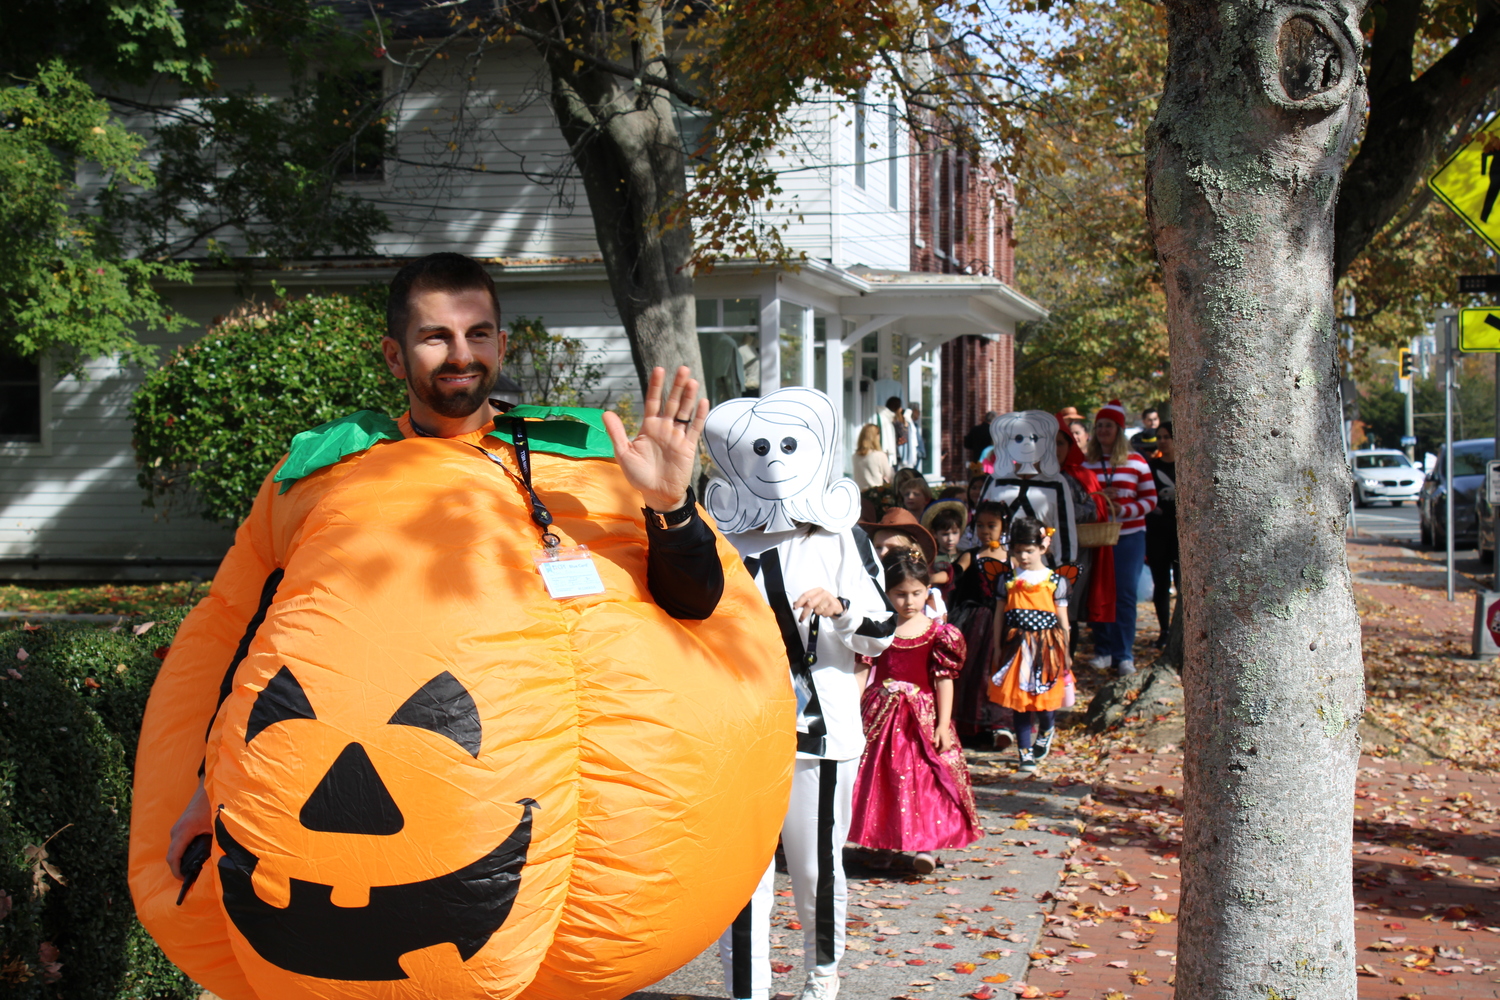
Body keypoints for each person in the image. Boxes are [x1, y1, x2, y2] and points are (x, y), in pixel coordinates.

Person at [144, 252, 792, 1000]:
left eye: (478, 334)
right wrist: (206, 786)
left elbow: (697, 605)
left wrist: (670, 506)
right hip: (339, 818)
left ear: (501, 345)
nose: (461, 355)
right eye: (435, 338)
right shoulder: (325, 476)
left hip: (526, 836)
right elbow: (248, 644)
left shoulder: (580, 464)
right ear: (394, 354)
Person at [704, 387, 895, 1000]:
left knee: (814, 870)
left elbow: (882, 631)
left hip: (821, 734)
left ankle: (822, 977)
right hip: (739, 735)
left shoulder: (843, 539)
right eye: (759, 448)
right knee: (740, 878)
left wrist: (840, 611)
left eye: (788, 446)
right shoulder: (724, 542)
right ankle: (748, 991)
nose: (775, 462)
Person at [848, 552, 982, 874]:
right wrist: (852, 712)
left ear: (927, 590)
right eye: (900, 594)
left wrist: (943, 724)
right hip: (881, 714)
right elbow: (862, 670)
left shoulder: (939, 633)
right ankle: (881, 841)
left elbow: (944, 681)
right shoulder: (880, 629)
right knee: (882, 779)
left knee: (925, 779)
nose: (909, 601)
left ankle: (925, 845)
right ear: (887, 593)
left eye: (917, 593)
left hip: (921, 718)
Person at [987, 517, 1073, 774]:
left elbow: (1063, 621)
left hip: (1047, 648)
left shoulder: (1056, 581)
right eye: (1018, 551)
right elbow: (999, 615)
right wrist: (997, 646)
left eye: (1029, 550)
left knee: (1045, 702)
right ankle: (1025, 752)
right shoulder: (1007, 580)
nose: (1023, 556)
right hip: (1017, 648)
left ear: (1043, 547)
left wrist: (1066, 653)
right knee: (1020, 702)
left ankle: (1047, 728)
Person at [1082, 399, 1157, 676]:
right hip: (1097, 537)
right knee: (1098, 594)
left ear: (1119, 429)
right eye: (1099, 425)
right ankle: (1102, 650)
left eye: (1108, 425)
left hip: (1129, 537)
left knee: (1125, 595)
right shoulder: (1086, 462)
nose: (1103, 430)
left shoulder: (1136, 462)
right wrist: (1097, 501)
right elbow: (1078, 498)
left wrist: (1123, 508)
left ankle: (1124, 654)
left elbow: (1150, 499)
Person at [946, 501, 1010, 743]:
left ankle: (1000, 723)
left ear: (1003, 526)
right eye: (980, 525)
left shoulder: (1012, 556)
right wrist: (932, 576)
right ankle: (970, 725)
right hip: (977, 620)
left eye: (992, 525)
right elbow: (956, 572)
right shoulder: (972, 555)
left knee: (1000, 669)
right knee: (974, 671)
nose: (985, 531)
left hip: (1007, 619)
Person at [1145, 421, 1179, 647]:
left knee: (1182, 582)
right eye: (1160, 437)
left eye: (1167, 436)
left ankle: (1180, 628)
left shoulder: (1185, 466)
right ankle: (1164, 630)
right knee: (1161, 583)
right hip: (1156, 533)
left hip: (1180, 534)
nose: (1163, 441)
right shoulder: (1151, 466)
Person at [922, 500, 967, 600]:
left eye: (955, 533)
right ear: (934, 533)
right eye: (945, 534)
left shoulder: (965, 556)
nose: (950, 538)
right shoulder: (931, 559)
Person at [852, 423, 893, 490]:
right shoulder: (879, 455)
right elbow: (889, 476)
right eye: (878, 434)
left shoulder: (855, 456)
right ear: (875, 437)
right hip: (875, 494)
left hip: (860, 493)